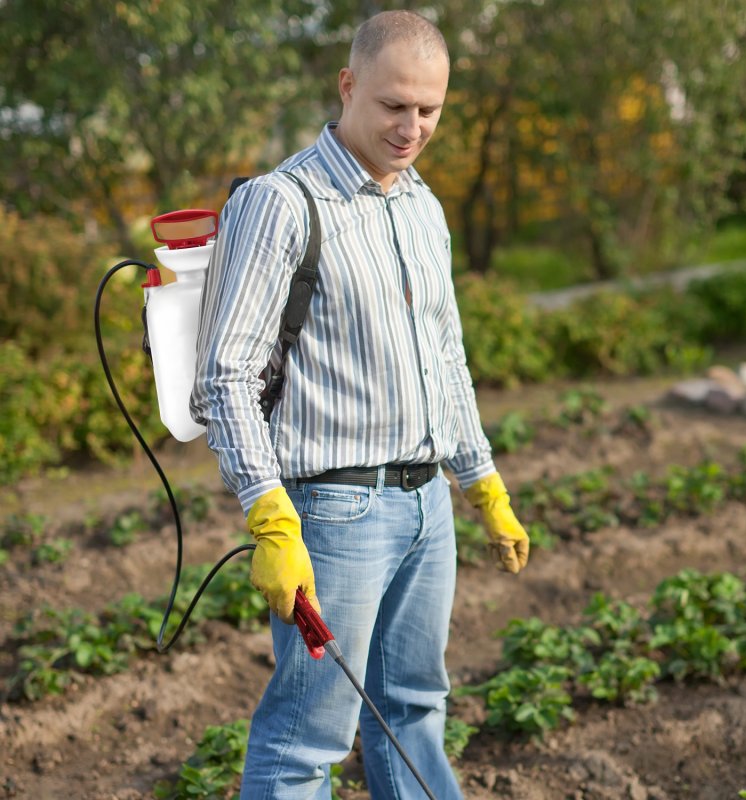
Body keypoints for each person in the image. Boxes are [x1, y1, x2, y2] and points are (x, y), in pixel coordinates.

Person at [191, 10, 530, 799]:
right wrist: (271, 518)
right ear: (348, 86)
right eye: (393, 106)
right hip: (334, 513)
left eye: (429, 110)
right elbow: (225, 377)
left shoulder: (421, 206)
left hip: (427, 508)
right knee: (308, 739)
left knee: (414, 711)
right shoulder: (282, 203)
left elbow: (447, 360)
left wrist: (482, 484)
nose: (411, 127)